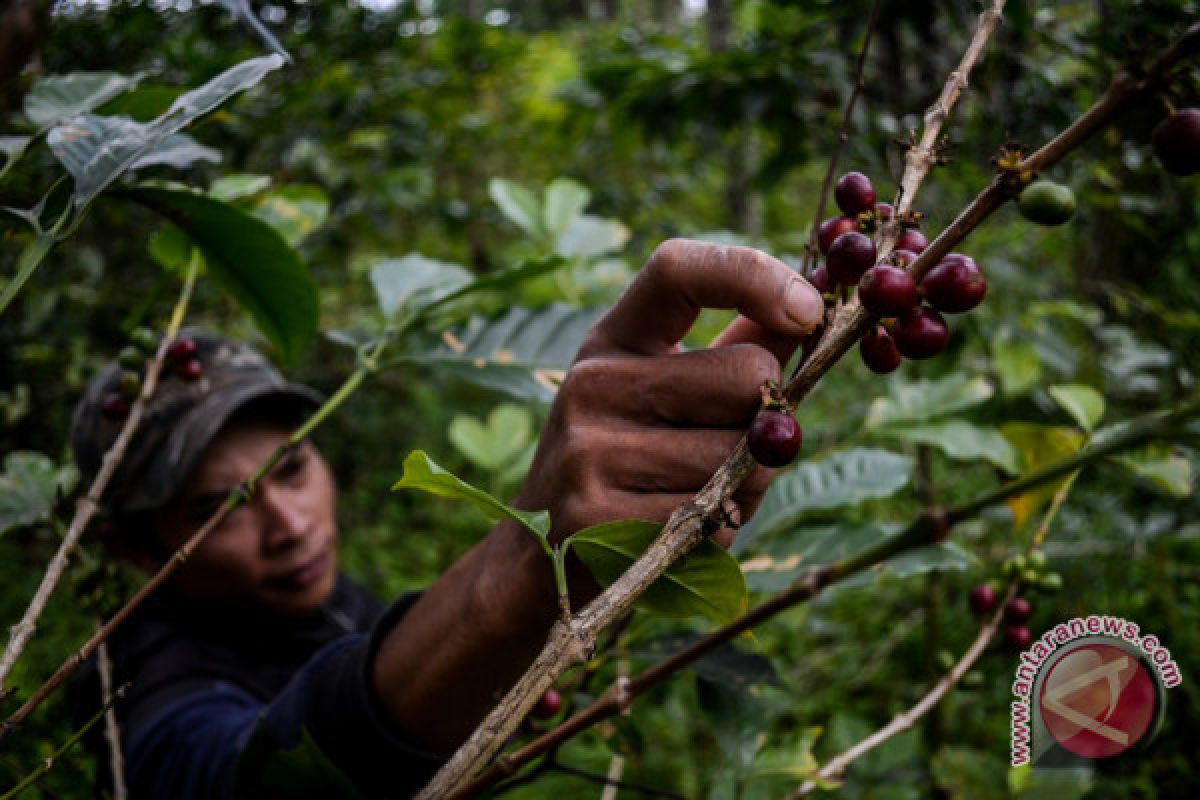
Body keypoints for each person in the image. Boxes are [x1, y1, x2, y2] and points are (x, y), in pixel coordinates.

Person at [68, 239, 824, 798]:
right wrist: (523, 568)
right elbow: (244, 780)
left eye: (290, 469)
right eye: (215, 510)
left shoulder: (332, 605)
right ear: (135, 549)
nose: (289, 525)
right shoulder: (136, 691)